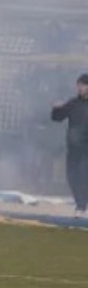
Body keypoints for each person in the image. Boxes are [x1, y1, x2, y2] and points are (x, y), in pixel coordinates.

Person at [51, 73, 88, 217]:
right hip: (73, 148)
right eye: (79, 85)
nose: (80, 88)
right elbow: (57, 118)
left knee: (84, 175)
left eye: (83, 85)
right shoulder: (73, 103)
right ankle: (80, 204)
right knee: (72, 177)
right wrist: (56, 108)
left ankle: (82, 206)